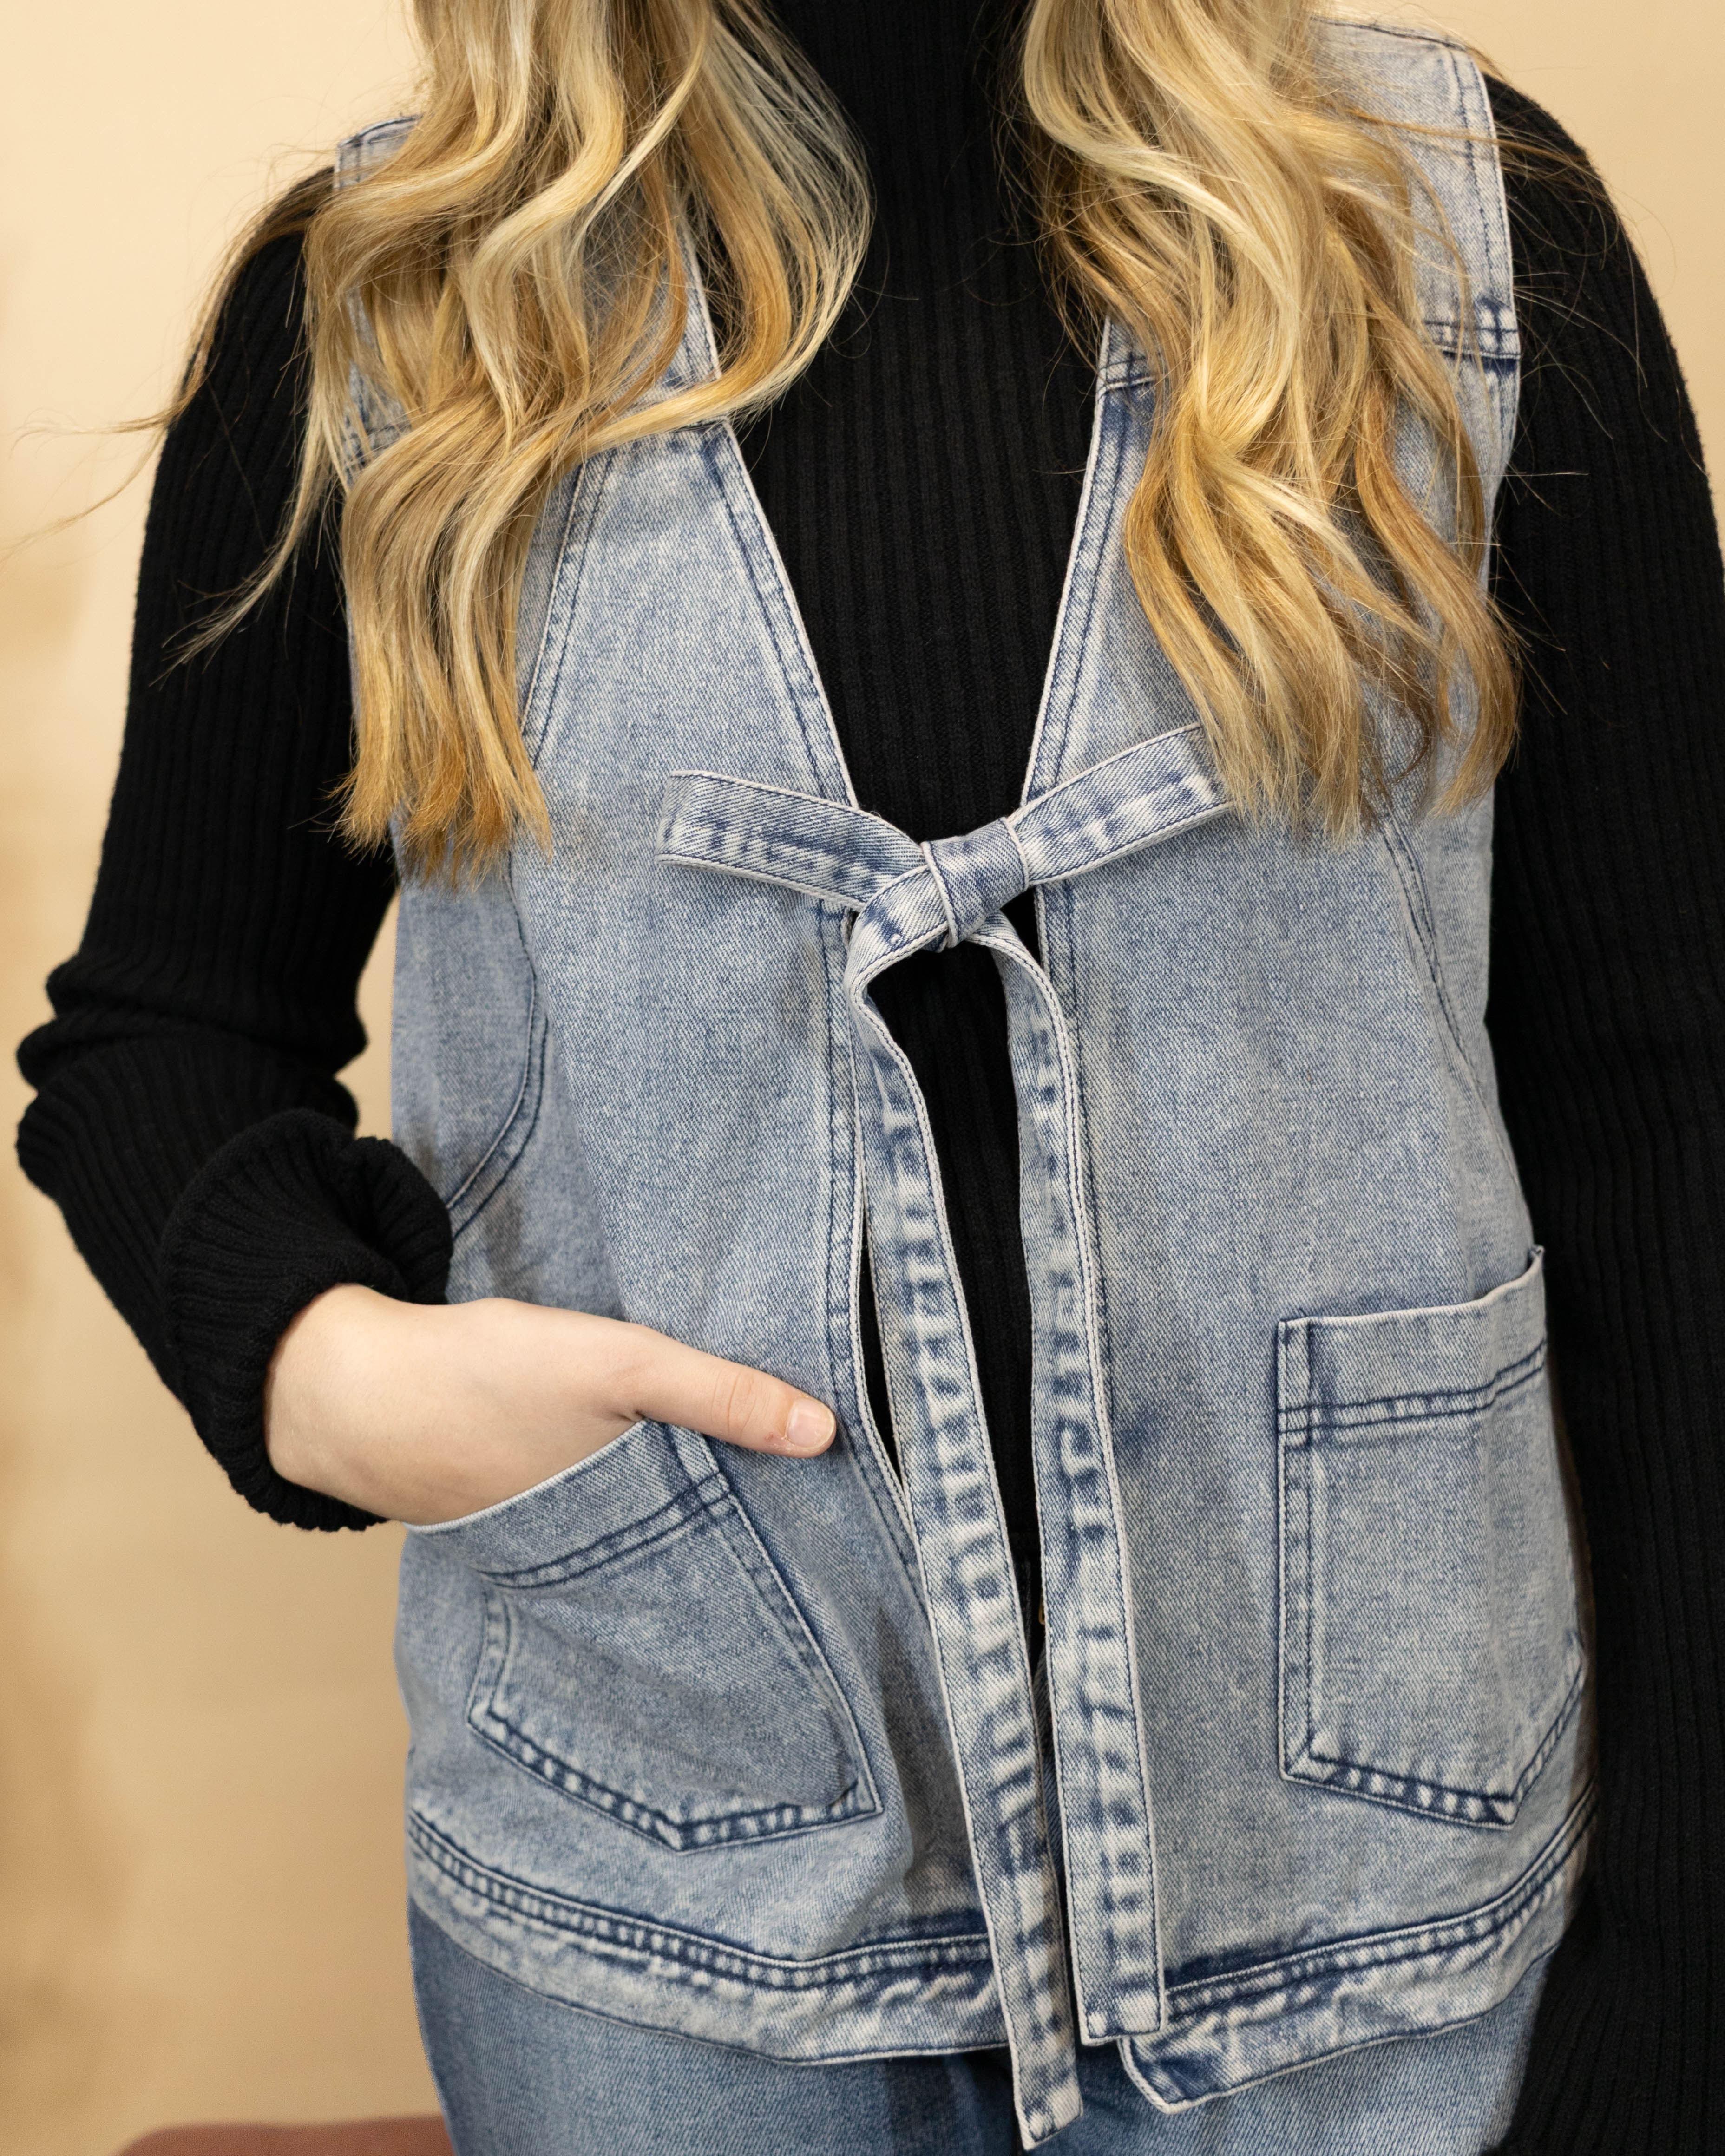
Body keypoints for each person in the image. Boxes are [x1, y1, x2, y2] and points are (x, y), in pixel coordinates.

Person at [16, 0, 1723, 2149]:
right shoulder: (383, 313)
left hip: (1377, 1941)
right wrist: (324, 1372)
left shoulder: (1452, 233)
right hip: (662, 1945)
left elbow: (1668, 1107)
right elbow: (163, 1033)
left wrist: (1683, 1966)